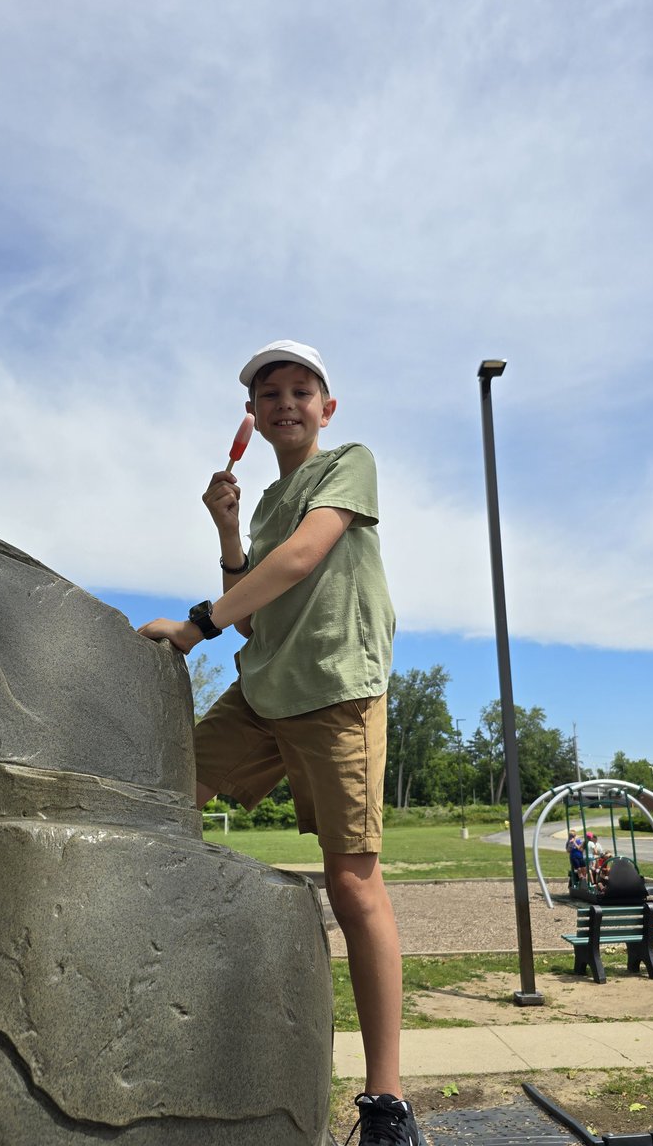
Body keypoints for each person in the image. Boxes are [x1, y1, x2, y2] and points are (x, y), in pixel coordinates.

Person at [138, 342, 423, 1146]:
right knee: (166, 794)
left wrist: (198, 624)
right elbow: (255, 609)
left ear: (325, 409)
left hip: (335, 691)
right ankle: (187, 978)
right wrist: (229, 530)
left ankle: (387, 1103)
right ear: (252, 418)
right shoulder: (264, 502)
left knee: (353, 881)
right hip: (263, 691)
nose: (285, 402)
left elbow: (303, 557)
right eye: (269, 394)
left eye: (301, 390)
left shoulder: (349, 465)